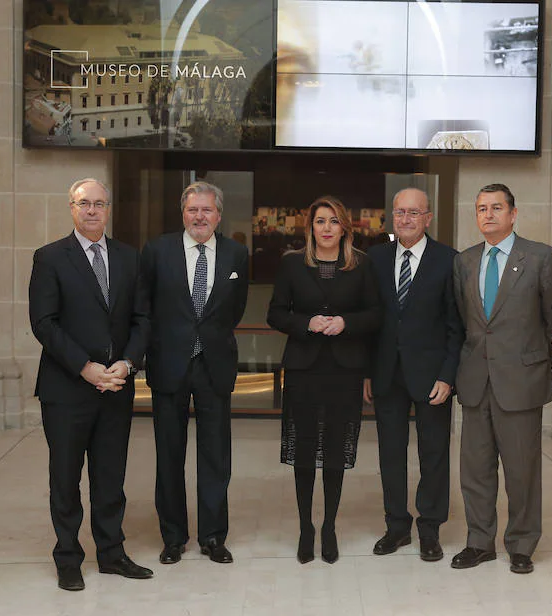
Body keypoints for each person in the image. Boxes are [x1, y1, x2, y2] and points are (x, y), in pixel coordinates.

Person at [28, 178, 152, 591]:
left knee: (110, 476)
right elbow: (44, 323)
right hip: (67, 389)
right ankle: (67, 558)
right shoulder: (49, 258)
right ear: (72, 208)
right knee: (65, 478)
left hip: (116, 386)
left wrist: (128, 363)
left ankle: (112, 554)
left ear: (109, 208)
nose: (93, 210)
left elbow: (142, 319)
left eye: (100, 204)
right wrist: (84, 367)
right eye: (85, 203)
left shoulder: (129, 258)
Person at [451, 183, 552, 575]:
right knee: (475, 469)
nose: (488, 215)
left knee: (522, 470)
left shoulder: (541, 258)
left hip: (521, 381)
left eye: (497, 208)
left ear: (513, 214)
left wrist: (536, 365)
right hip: (476, 381)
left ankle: (521, 544)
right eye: (481, 209)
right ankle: (479, 542)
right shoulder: (464, 262)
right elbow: (464, 323)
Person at [267, 196, 381, 564]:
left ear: (344, 226)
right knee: (303, 450)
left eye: (333, 221)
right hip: (303, 368)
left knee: (335, 450)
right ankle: (306, 527)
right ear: (310, 227)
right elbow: (275, 313)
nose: (327, 228)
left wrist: (347, 323)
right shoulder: (291, 265)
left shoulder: (361, 266)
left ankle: (329, 526)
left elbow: (375, 314)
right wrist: (306, 323)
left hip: (344, 370)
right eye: (320, 221)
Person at [141, 181, 249, 566]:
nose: (199, 217)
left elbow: (235, 308)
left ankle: (213, 536)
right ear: (182, 213)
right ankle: (173, 537)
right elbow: (145, 307)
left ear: (218, 215)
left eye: (206, 210)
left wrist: (209, 338)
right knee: (169, 455)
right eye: (192, 210)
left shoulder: (237, 253)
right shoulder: (157, 251)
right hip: (169, 365)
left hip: (214, 366)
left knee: (216, 457)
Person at [365, 188, 463, 562]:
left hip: (432, 376)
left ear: (428, 217)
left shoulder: (448, 260)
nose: (405, 219)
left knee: (434, 453)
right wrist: (368, 373)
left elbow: (456, 325)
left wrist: (448, 375)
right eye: (399, 212)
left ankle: (430, 528)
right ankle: (396, 526)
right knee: (391, 453)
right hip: (387, 373)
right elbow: (372, 321)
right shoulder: (375, 258)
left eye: (413, 213)